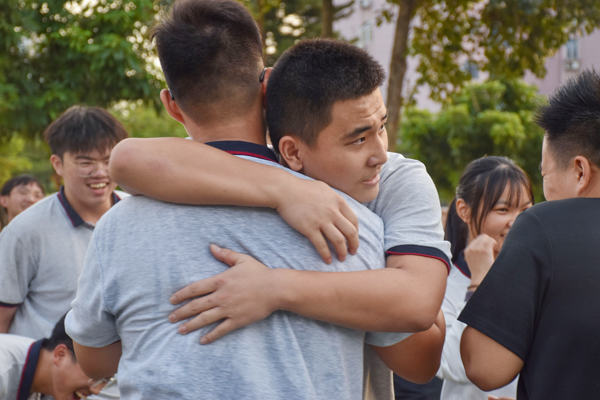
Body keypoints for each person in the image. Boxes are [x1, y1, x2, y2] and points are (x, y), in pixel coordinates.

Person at [65, 1, 444, 399]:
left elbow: (96, 361)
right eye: (360, 137)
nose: (378, 153)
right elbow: (418, 359)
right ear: (268, 85)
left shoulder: (116, 228)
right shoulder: (345, 225)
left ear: (171, 104)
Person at [459, 69, 600, 399]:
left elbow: (485, 366)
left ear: (580, 171)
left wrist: (479, 283)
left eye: (545, 174)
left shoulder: (543, 225)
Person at [0, 105, 128, 339]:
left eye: (108, 160)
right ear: (57, 164)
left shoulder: (139, 215)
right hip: (53, 359)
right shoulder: (24, 231)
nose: (100, 172)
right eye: (85, 163)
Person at [433, 156, 533, 400]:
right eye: (503, 210)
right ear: (464, 210)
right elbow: (455, 365)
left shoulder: (537, 281)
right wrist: (479, 284)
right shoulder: (440, 283)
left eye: (525, 210)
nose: (517, 221)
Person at [0, 314, 104, 400]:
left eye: (106, 380)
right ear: (60, 354)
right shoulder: (3, 368)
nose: (97, 391)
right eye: (94, 376)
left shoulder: (47, 382)